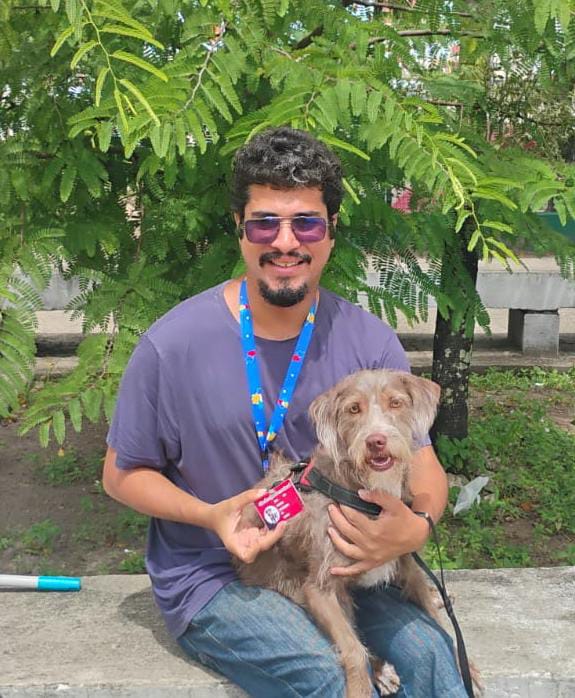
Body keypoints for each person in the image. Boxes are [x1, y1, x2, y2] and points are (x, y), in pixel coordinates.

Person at [103, 127, 467, 697]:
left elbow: (422, 463)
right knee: (332, 679)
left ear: (331, 230)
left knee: (433, 658)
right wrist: (212, 516)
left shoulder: (367, 340)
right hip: (217, 574)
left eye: (307, 223)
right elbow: (120, 474)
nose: (285, 241)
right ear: (240, 228)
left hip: (336, 564)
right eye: (264, 223)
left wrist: (413, 527)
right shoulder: (172, 346)